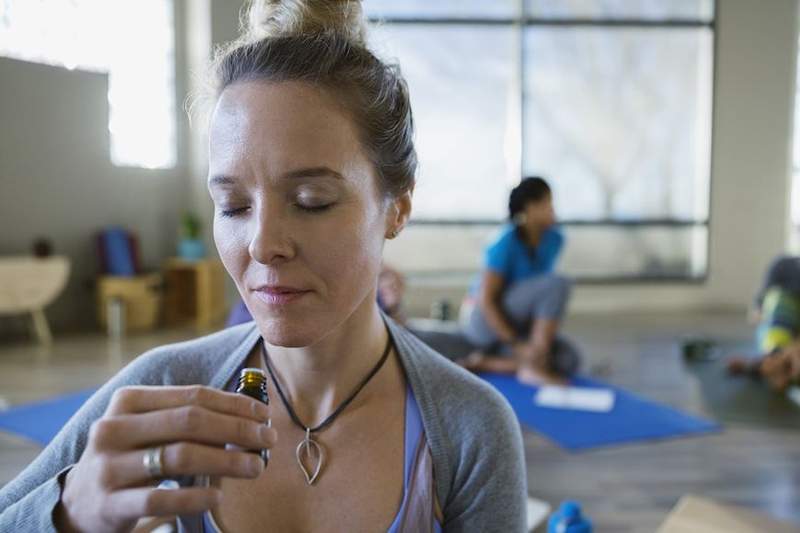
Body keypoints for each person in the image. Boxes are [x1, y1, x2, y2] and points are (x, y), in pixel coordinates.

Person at [0, 2, 527, 531]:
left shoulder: (467, 430)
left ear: (397, 207)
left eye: (312, 199)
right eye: (232, 206)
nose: (262, 245)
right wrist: (66, 513)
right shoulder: (162, 390)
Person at [460, 177, 579, 385]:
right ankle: (533, 366)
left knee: (569, 358)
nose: (553, 209)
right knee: (559, 283)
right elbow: (486, 301)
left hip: (516, 322)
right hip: (484, 321)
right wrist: (517, 344)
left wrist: (529, 343)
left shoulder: (554, 239)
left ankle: (486, 362)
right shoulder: (504, 244)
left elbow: (539, 300)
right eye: (547, 203)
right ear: (530, 208)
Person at [727, 256, 800, 391]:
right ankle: (775, 358)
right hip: (780, 322)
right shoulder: (783, 265)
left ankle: (768, 363)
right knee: (780, 299)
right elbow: (756, 312)